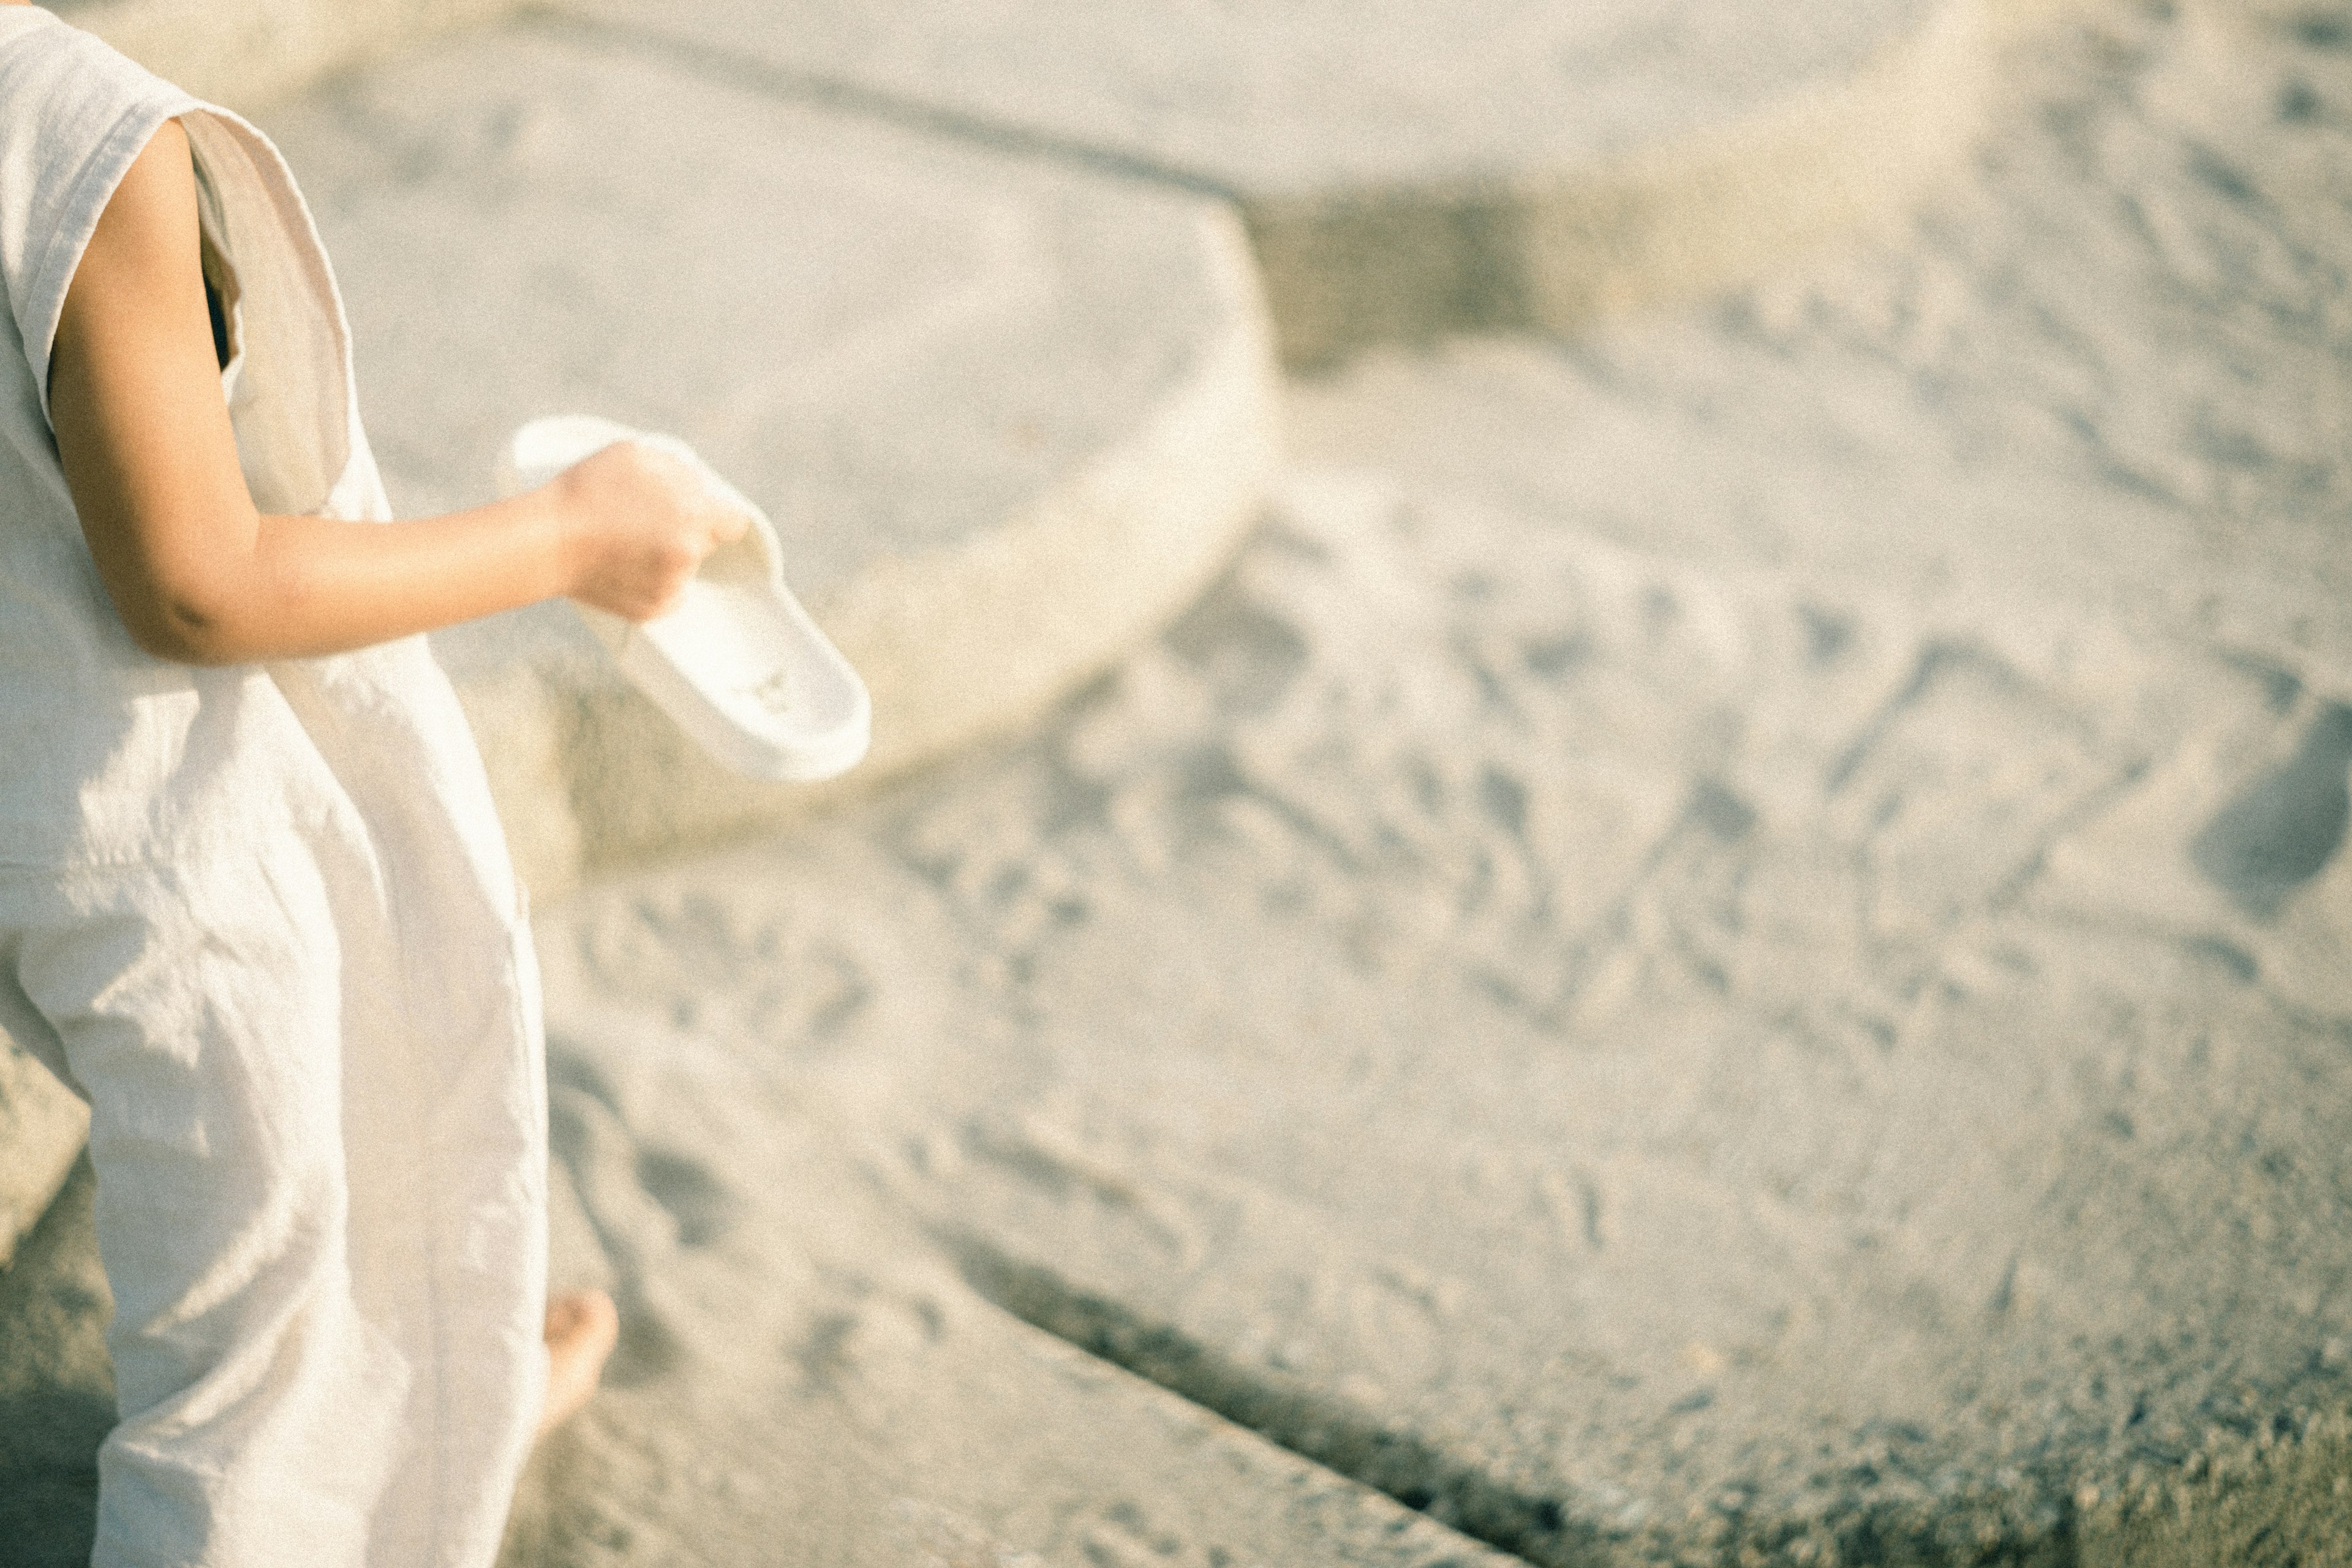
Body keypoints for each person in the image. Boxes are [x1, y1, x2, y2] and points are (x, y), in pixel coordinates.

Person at [0, 3, 745, 1561]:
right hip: (148, 851)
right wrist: (574, 535)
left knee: (354, 1219)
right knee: (258, 1363)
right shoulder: (78, 143)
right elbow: (198, 582)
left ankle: (435, 1405)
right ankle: (354, 1451)